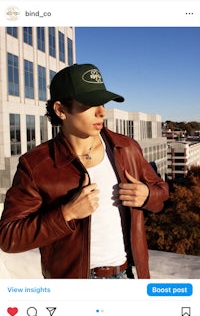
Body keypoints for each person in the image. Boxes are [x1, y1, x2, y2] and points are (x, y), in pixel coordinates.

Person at [0, 63, 169, 279]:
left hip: (128, 275)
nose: (102, 112)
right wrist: (66, 214)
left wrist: (147, 195)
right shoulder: (36, 165)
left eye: (102, 103)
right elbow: (8, 237)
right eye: (90, 104)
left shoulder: (126, 148)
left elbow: (162, 192)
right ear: (61, 110)